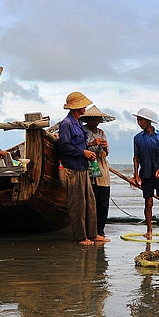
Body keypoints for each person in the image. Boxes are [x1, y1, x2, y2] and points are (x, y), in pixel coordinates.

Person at [56, 92, 106, 245]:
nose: (85, 107)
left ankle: (92, 234)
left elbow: (80, 144)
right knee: (77, 205)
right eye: (83, 105)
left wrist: (89, 149)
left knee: (90, 202)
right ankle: (80, 237)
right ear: (77, 107)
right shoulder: (67, 124)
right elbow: (63, 146)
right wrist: (82, 152)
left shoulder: (77, 123)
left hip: (83, 168)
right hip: (72, 169)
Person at [132, 107, 159, 240]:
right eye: (137, 120)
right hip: (146, 174)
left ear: (148, 121)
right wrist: (136, 174)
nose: (139, 123)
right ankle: (149, 230)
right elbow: (136, 157)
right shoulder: (137, 138)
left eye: (140, 120)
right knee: (148, 203)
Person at [81, 106, 115, 241]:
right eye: (94, 119)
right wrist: (92, 143)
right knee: (90, 201)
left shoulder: (101, 132)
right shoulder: (83, 131)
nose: (97, 122)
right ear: (88, 119)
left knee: (103, 202)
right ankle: (91, 230)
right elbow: (79, 148)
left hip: (101, 168)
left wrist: (105, 148)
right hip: (88, 168)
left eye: (98, 119)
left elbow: (106, 153)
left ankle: (100, 230)